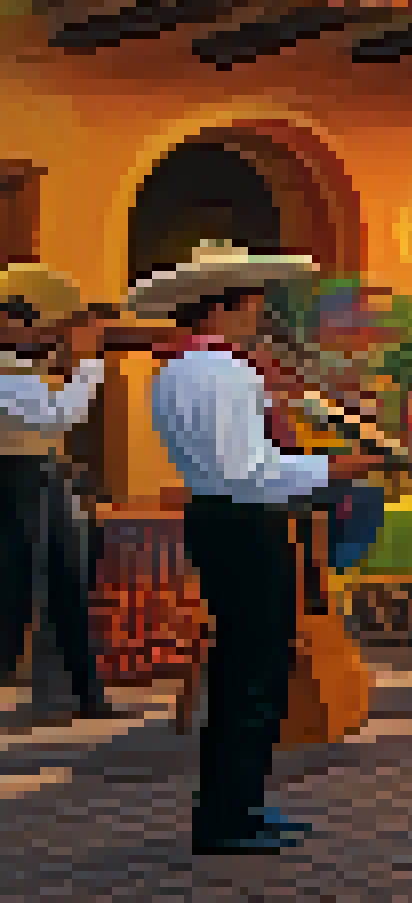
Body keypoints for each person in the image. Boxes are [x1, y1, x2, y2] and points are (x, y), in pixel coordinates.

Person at [128, 243, 383, 854]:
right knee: (255, 670)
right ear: (224, 306)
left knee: (244, 667)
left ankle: (237, 806)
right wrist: (333, 468)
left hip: (217, 519)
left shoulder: (175, 369)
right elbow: (247, 471)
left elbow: (229, 467)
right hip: (245, 521)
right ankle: (230, 815)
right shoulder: (228, 372)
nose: (262, 312)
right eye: (254, 301)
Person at [0, 273, 118, 722]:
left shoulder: (27, 369)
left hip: (44, 474)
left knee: (72, 583)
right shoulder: (11, 376)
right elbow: (59, 416)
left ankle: (88, 693)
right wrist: (87, 360)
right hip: (13, 477)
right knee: (14, 590)